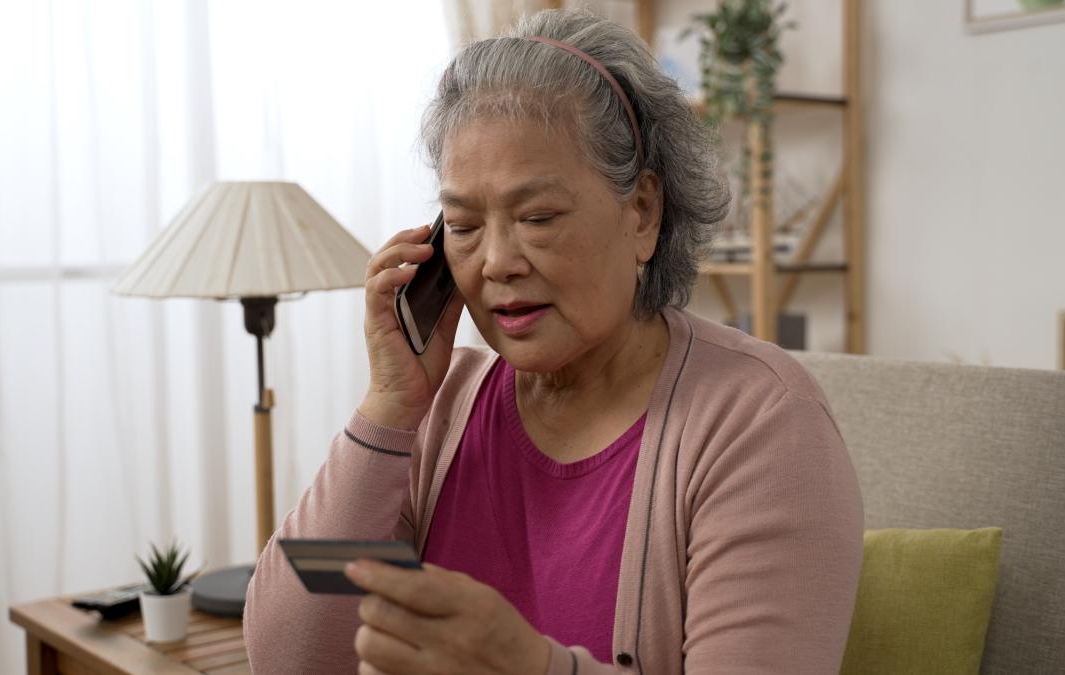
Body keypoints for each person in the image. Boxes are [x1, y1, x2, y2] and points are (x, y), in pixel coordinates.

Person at [243, 8, 862, 674]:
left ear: (643, 212)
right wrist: (390, 407)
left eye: (537, 216)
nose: (496, 262)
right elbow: (289, 659)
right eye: (464, 224)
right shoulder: (440, 408)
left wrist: (530, 666)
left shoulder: (759, 420)